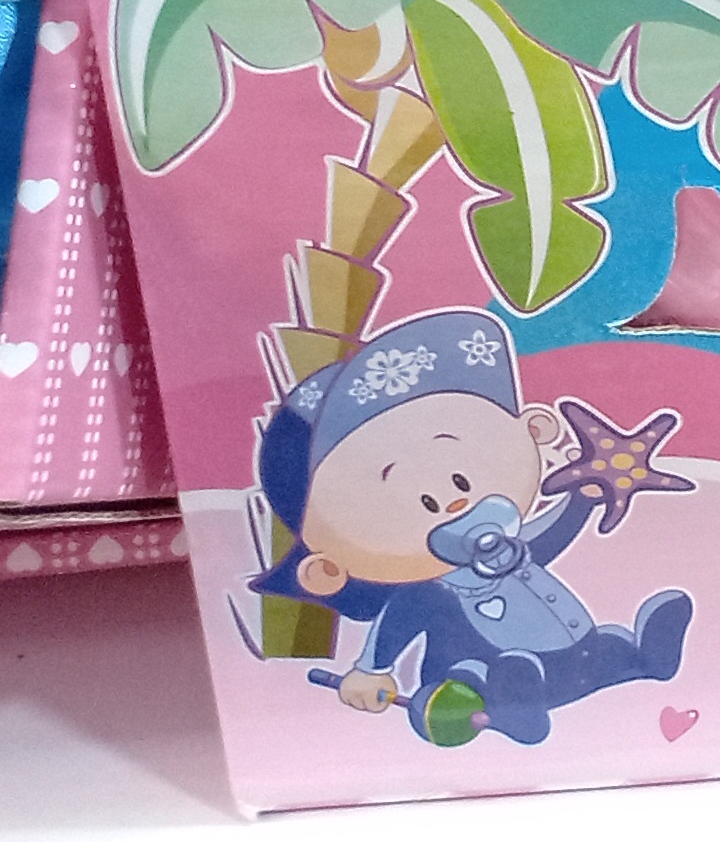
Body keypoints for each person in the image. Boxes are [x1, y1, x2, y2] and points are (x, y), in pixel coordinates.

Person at [247, 309, 691, 750]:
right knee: (483, 676)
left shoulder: (506, 548)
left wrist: (579, 502)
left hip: (576, 654)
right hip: (478, 680)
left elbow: (547, 537)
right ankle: (511, 710)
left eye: (461, 481)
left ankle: (645, 657)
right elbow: (396, 626)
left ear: (532, 428)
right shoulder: (428, 590)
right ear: (327, 563)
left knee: (608, 650)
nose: (455, 503)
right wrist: (371, 670)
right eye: (424, 503)